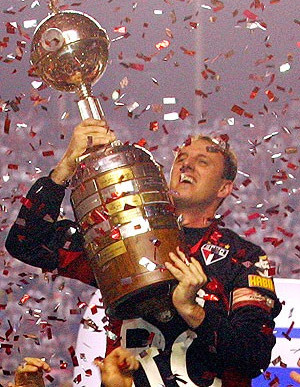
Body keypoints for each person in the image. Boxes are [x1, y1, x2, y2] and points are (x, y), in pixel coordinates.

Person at [6, 118, 282, 387]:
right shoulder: (124, 238)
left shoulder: (243, 258)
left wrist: (192, 310)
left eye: (202, 161)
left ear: (224, 187)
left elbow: (253, 356)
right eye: (181, 157)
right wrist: (65, 167)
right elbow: (26, 242)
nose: (186, 164)